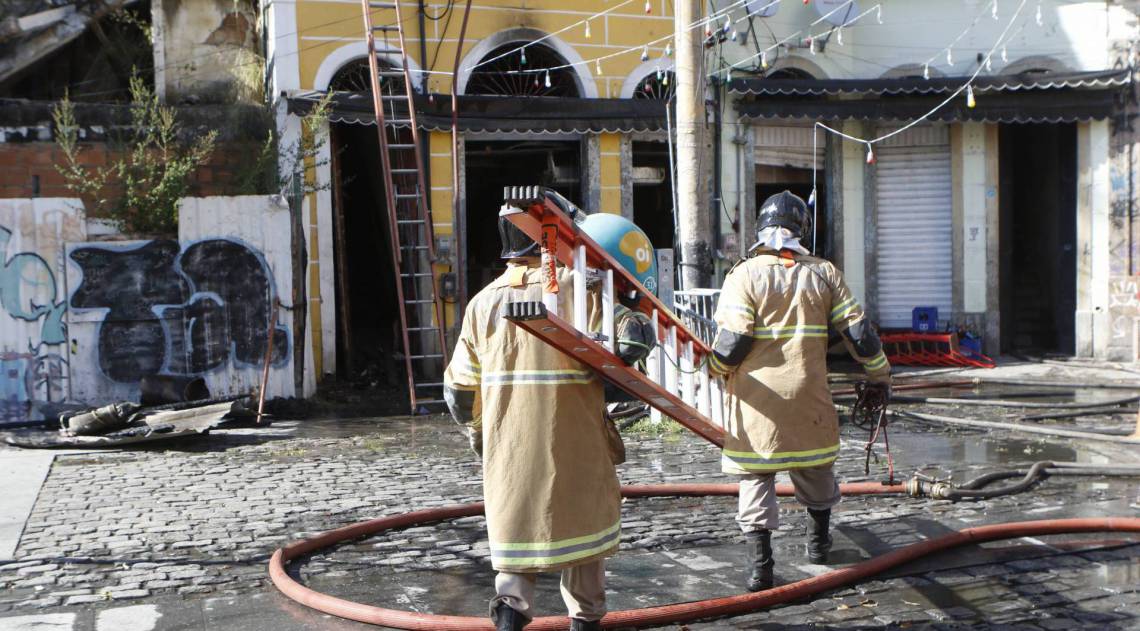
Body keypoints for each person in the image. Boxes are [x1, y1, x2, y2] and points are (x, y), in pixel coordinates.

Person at [443, 211, 652, 631]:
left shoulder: (481, 304)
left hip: (511, 453)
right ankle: (584, 621)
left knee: (517, 546)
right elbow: (634, 337)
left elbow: (459, 393)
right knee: (584, 542)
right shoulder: (580, 290)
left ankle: (509, 617)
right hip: (578, 445)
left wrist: (484, 436)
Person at [709, 190, 891, 591]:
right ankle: (818, 547)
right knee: (816, 473)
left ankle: (761, 569)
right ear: (802, 229)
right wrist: (881, 375)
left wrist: (714, 369)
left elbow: (733, 340)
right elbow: (860, 335)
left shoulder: (744, 274)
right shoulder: (824, 272)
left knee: (756, 479)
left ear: (760, 227)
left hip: (758, 406)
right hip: (811, 399)